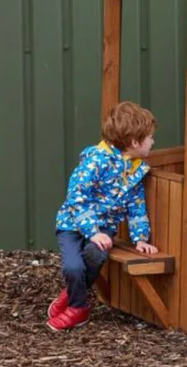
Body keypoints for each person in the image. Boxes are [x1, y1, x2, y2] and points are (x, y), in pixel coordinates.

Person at [48, 101, 159, 331]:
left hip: (105, 227)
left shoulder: (136, 169)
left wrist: (141, 238)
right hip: (72, 223)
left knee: (95, 255)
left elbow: (137, 207)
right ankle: (77, 301)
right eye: (150, 138)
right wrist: (92, 232)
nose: (153, 142)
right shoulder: (96, 161)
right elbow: (76, 195)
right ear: (134, 142)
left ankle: (76, 306)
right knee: (73, 267)